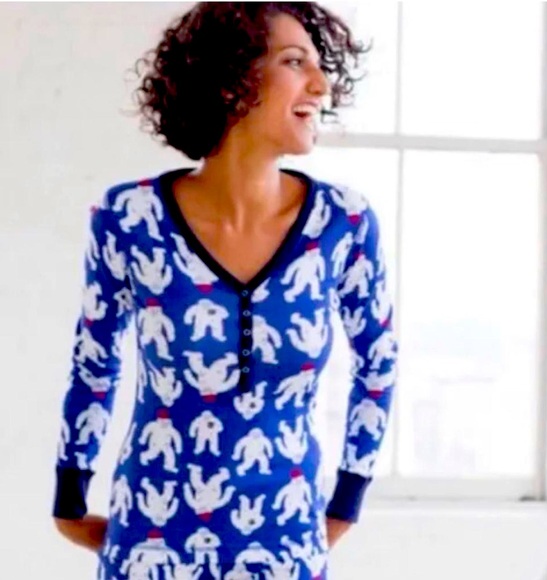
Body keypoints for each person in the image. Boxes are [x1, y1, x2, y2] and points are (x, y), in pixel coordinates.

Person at [52, 3, 398, 579]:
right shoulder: (130, 217)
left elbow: (378, 364)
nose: (321, 84)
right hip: (150, 546)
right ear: (231, 80)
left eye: (320, 65)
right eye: (295, 62)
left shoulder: (344, 222)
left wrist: (345, 504)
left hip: (287, 548)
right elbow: (94, 362)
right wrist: (69, 497)